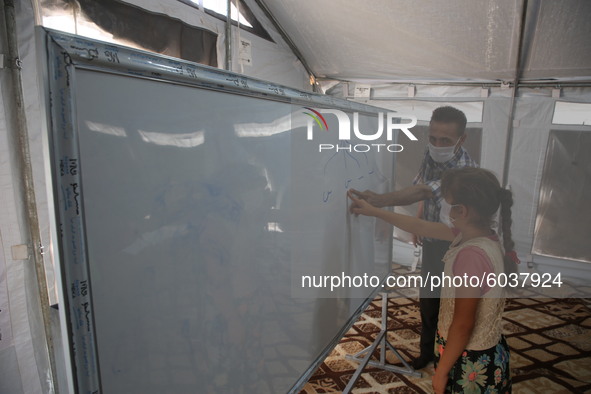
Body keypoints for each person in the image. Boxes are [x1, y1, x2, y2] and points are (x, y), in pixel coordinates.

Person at [348, 167, 515, 393]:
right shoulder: (480, 236)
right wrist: (376, 210)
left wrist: (442, 372)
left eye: (447, 203)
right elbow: (421, 226)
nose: (444, 209)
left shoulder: (471, 256)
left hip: (470, 360)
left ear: (461, 211)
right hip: (483, 351)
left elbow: (464, 323)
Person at [350, 106, 477, 369]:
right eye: (433, 138)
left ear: (462, 139)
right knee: (429, 300)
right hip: (433, 241)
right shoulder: (432, 153)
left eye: (445, 141)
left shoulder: (464, 170)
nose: (437, 145)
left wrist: (380, 201)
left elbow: (423, 191)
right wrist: (420, 220)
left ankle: (450, 359)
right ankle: (427, 352)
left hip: (456, 246)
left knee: (451, 306)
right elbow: (423, 184)